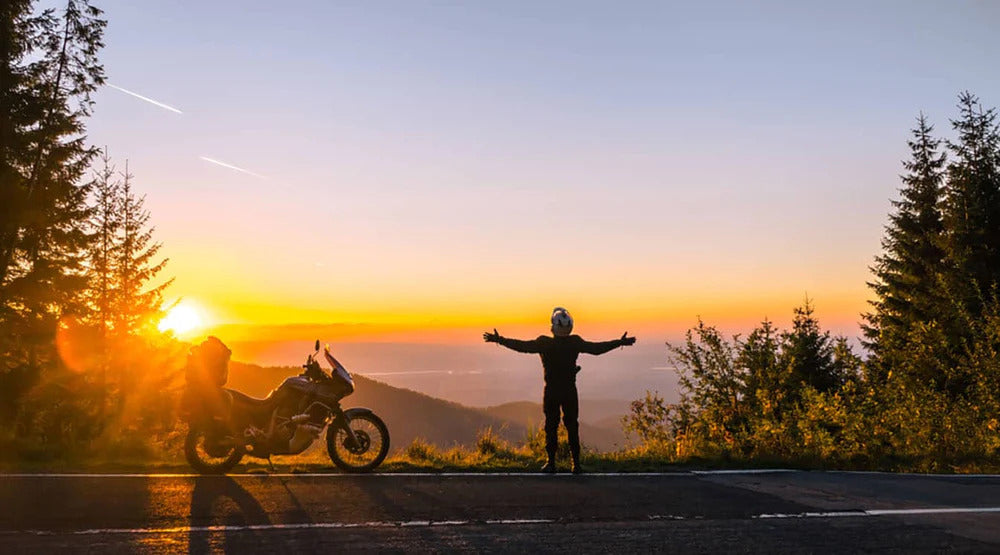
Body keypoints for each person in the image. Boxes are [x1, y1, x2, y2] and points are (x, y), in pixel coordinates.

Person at [484, 307, 636, 474]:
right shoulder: (574, 342)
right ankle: (576, 464)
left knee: (551, 426)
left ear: (553, 327)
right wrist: (619, 343)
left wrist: (500, 340)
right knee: (572, 426)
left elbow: (522, 346)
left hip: (551, 392)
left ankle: (551, 463)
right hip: (570, 391)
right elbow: (596, 349)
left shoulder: (544, 343)